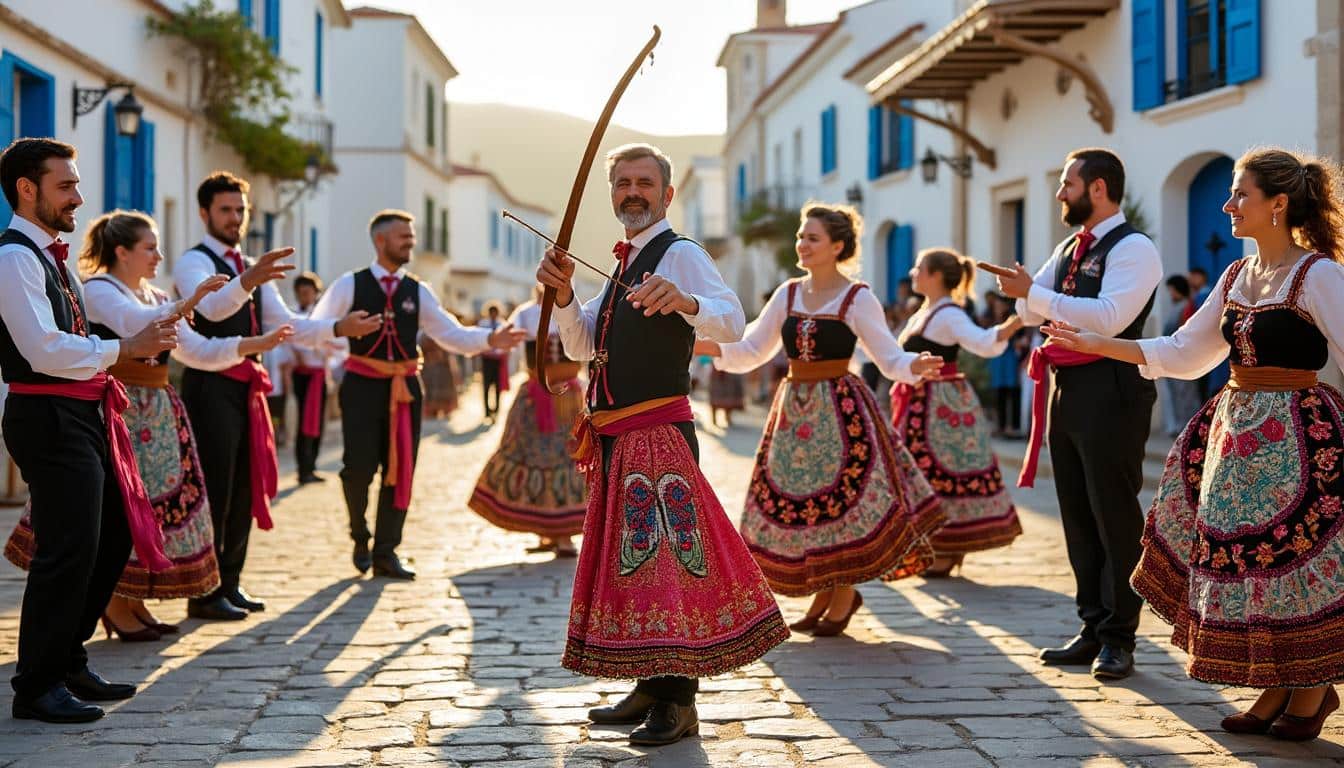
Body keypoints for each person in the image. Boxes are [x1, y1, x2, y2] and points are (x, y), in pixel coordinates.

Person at [1041, 147, 1344, 741]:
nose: (1228, 205)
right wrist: (1098, 343)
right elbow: (1184, 351)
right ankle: (1277, 682)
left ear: (1278, 203)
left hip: (1301, 439)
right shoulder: (1235, 276)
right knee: (1252, 563)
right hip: (1237, 435)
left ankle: (1309, 684)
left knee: (1296, 560)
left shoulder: (1319, 275)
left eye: (1240, 194)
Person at [536, 143, 788, 746]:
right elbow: (581, 344)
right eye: (622, 182)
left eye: (644, 182)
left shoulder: (681, 253)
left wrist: (687, 302)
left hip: (658, 435)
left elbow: (732, 321)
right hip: (618, 439)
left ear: (667, 194)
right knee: (637, 566)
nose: (633, 192)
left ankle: (679, 703)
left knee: (667, 565)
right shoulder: (622, 263)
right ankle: (651, 686)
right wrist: (564, 295)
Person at [5, 210, 292, 641]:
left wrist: (253, 344)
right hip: (121, 410)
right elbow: (133, 325)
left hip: (155, 411)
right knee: (117, 509)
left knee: (144, 510)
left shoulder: (155, 295)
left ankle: (131, 601)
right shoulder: (100, 289)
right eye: (150, 248)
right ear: (122, 252)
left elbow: (194, 350)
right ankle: (110, 606)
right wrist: (189, 304)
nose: (159, 256)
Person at [695, 203, 945, 635]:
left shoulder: (857, 298)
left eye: (812, 238)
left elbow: (887, 356)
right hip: (794, 412)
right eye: (801, 236)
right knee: (803, 503)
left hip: (841, 412)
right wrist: (708, 347)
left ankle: (843, 592)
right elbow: (754, 348)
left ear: (837, 247)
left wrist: (913, 365)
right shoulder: (788, 293)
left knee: (840, 502)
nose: (802, 244)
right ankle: (824, 592)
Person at [0, 138, 177, 722]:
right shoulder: (13, 258)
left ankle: (67, 659)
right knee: (67, 548)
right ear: (27, 189)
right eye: (66, 186)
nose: (78, 197)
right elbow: (43, 349)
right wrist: (125, 347)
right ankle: (36, 685)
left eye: (75, 184)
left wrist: (131, 345)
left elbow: (73, 339)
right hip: (46, 414)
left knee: (112, 533)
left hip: (81, 411)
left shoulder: (51, 255)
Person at [173, 170, 382, 621]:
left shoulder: (250, 266)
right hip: (210, 386)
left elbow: (285, 324)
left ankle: (230, 582)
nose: (235, 218)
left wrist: (338, 327)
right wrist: (247, 279)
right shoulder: (193, 263)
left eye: (241, 210)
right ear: (204, 213)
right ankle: (204, 592)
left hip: (248, 388)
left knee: (244, 485)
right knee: (217, 485)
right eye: (226, 210)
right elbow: (211, 308)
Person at [995, 147, 1161, 681]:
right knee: (1077, 511)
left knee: (1113, 512)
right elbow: (1027, 311)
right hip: (1067, 386)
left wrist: (1036, 295)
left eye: (1068, 183)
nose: (1060, 193)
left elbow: (1109, 319)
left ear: (1098, 188)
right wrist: (1030, 294)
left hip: (1113, 386)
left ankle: (1120, 637)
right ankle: (1092, 625)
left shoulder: (1133, 247)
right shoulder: (1070, 246)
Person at [310, 209, 525, 580]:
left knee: (401, 469)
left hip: (406, 388)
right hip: (361, 384)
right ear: (380, 241)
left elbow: (451, 334)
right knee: (357, 468)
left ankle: (386, 550)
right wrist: (340, 340)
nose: (411, 242)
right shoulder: (350, 285)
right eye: (403, 236)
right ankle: (359, 534)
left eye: (411, 236)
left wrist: (491, 338)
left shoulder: (418, 290)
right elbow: (317, 328)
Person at [892, 249, 1022, 576]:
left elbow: (983, 342)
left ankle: (948, 547)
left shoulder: (948, 313)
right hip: (922, 403)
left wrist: (1020, 320)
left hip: (941, 406)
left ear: (936, 276)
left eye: (919, 268)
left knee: (941, 474)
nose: (913, 273)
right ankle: (936, 545)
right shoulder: (926, 310)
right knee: (924, 473)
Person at [469, 288, 586, 557]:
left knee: (568, 458)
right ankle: (548, 533)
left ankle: (564, 536)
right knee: (533, 457)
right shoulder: (526, 313)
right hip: (537, 395)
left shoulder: (573, 308)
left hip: (568, 398)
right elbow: (505, 343)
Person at [290, 272, 340, 484]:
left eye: (309, 292)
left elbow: (333, 345)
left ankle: (312, 465)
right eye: (301, 292)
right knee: (304, 421)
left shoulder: (323, 317)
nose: (305, 296)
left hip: (320, 374)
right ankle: (303, 468)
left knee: (318, 421)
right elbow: (291, 343)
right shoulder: (292, 315)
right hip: (303, 375)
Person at [1159, 275, 1203, 436]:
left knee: (1187, 397)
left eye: (1172, 290)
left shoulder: (1187, 307)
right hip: (1172, 359)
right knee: (1177, 397)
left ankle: (1191, 431)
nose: (1171, 294)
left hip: (1184, 359)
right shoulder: (1177, 307)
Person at [477, 301, 509, 424]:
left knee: (497, 386)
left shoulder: (502, 324)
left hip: (498, 360)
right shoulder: (483, 324)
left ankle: (496, 410)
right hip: (487, 359)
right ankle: (487, 411)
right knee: (486, 386)